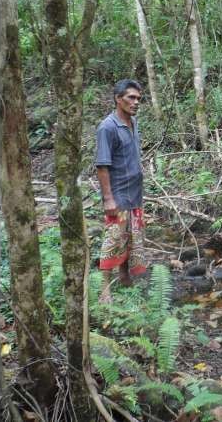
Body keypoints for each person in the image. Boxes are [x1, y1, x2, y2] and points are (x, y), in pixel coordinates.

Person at [95, 79, 147, 303]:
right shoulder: (107, 127)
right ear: (118, 99)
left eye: (138, 98)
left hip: (134, 194)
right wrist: (108, 199)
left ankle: (125, 278)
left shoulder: (133, 122)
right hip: (118, 195)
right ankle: (104, 290)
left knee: (130, 238)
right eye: (131, 97)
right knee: (113, 240)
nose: (136, 102)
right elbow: (102, 165)